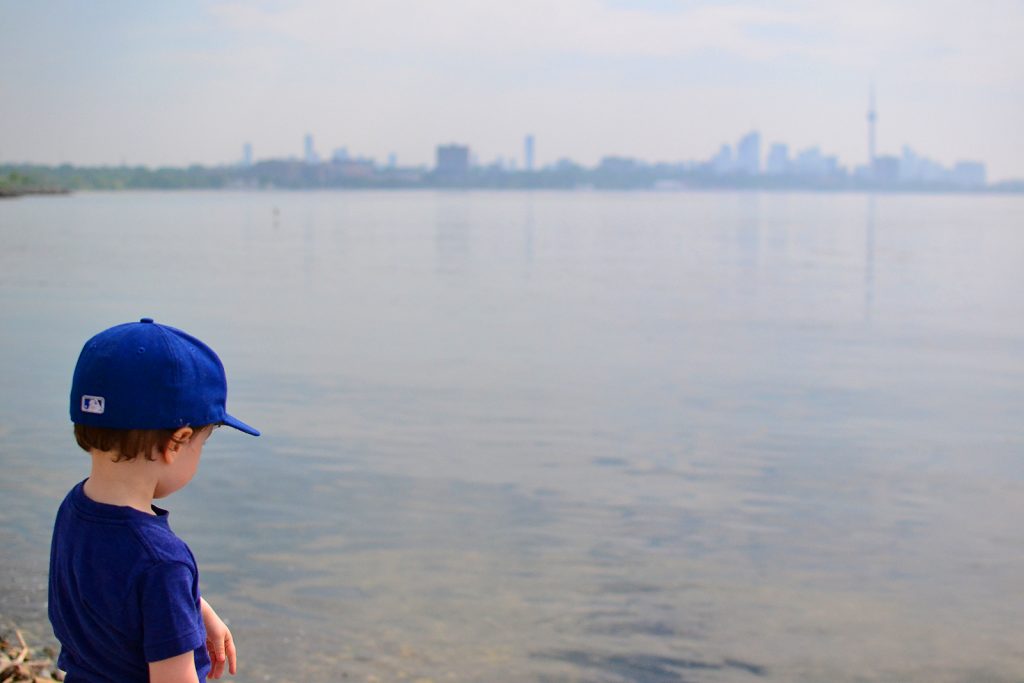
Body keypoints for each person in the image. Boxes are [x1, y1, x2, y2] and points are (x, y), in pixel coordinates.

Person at [49, 318, 260, 682]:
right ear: (176, 442)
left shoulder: (75, 508)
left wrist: (195, 611)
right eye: (202, 443)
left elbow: (116, 592)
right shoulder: (162, 561)